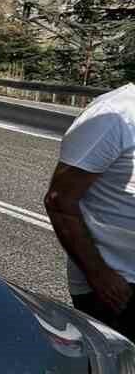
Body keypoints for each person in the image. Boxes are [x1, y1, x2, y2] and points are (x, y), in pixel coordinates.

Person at [45, 82, 135, 335]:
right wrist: (99, 275)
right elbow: (59, 200)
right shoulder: (114, 114)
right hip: (118, 288)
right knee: (118, 372)